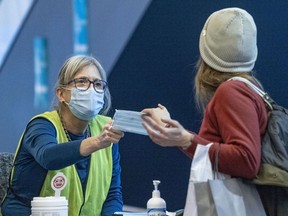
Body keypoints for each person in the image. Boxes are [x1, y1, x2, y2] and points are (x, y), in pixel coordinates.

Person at [141, 7, 288, 215]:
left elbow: (246, 160)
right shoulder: (250, 90)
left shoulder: (232, 91)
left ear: (206, 49)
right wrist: (182, 138)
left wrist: (186, 139)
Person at [1, 55, 124, 216]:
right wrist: (97, 142)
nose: (91, 89)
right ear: (61, 93)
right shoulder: (41, 125)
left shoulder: (105, 127)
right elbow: (48, 157)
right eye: (82, 82)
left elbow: (112, 195)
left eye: (98, 84)